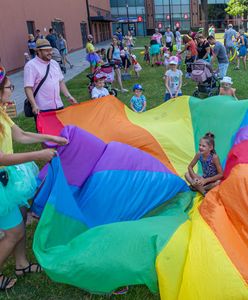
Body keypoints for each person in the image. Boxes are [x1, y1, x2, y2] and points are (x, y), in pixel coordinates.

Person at [0, 67, 68, 290]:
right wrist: (39, 154)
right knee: (14, 231)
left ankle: (21, 264)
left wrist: (51, 137)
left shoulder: (1, 113)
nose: (12, 90)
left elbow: (22, 135)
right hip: (2, 180)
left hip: (8, 179)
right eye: (10, 87)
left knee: (20, 214)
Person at [24, 39, 77, 118]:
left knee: (61, 129)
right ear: (38, 51)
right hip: (43, 109)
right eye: (46, 51)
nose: (50, 53)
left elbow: (60, 82)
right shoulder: (31, 66)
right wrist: (34, 105)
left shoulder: (54, 63)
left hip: (59, 106)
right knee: (46, 131)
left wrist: (69, 96)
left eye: (50, 50)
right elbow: (28, 88)